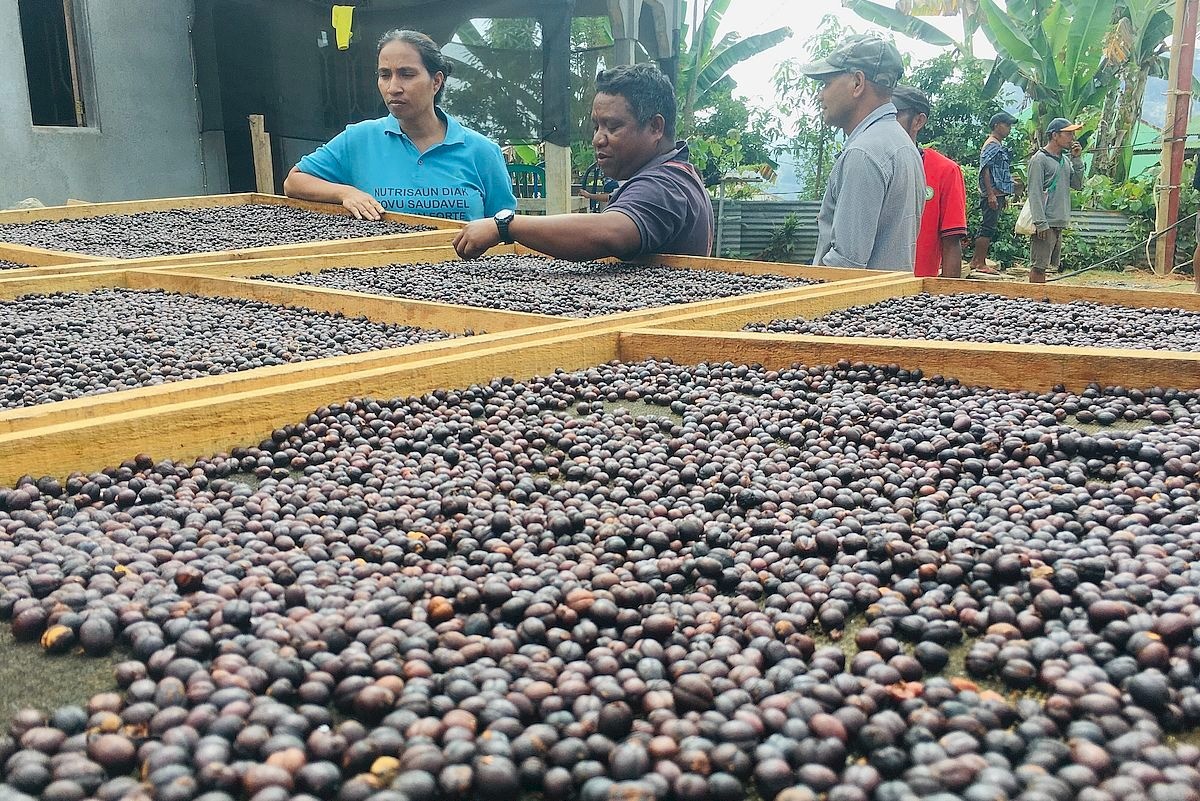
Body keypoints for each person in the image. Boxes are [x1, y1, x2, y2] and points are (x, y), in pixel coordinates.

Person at [453, 63, 714, 260]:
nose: (598, 139)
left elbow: (611, 233)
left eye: (613, 126)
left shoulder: (663, 184)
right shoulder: (680, 173)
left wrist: (505, 226)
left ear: (656, 127)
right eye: (596, 126)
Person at [283, 29, 516, 222]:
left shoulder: (482, 151)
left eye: (406, 74)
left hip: (464, 276)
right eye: (385, 75)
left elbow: (504, 227)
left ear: (436, 81)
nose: (393, 87)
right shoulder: (359, 139)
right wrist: (346, 193)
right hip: (377, 276)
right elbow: (294, 181)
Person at [799, 35, 924, 271]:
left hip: (855, 306)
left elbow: (845, 265)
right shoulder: (902, 144)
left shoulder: (864, 153)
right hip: (889, 303)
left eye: (826, 83)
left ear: (857, 83)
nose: (820, 95)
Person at [892, 86, 967, 279]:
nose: (886, 124)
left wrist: (949, 298)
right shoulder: (867, 166)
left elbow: (951, 241)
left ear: (918, 121)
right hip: (868, 290)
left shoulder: (945, 171)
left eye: (894, 115)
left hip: (918, 293)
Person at [1027, 117, 1086, 283]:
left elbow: (1077, 184)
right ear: (1055, 135)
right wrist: (1040, 222)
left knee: (1046, 266)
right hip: (1046, 221)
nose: (1072, 138)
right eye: (1068, 134)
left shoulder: (1065, 160)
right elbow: (1034, 193)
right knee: (1039, 266)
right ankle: (1033, 302)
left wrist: (1077, 159)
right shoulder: (1039, 160)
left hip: (1059, 220)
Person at [969, 111, 1019, 275]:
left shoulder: (997, 145)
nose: (1009, 129)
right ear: (997, 125)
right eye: (1007, 125)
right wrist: (990, 194)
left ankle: (976, 260)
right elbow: (986, 170)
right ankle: (980, 263)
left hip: (997, 192)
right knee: (988, 227)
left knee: (988, 226)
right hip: (993, 193)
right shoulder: (991, 145)